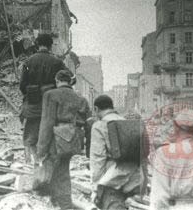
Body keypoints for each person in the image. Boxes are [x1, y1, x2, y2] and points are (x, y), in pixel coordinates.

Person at [36, 70, 85, 209]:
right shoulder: (79, 97)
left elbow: (47, 122)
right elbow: (82, 121)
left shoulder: (50, 95)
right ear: (70, 81)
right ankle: (59, 202)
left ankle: (63, 205)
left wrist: (41, 148)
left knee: (52, 174)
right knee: (63, 170)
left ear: (57, 81)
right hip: (71, 140)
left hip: (55, 140)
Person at [19, 33, 68, 165]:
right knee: (50, 133)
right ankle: (47, 162)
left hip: (33, 104)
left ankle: (31, 162)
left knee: (31, 134)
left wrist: (30, 95)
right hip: (51, 106)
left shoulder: (28, 62)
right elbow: (68, 80)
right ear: (50, 45)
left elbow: (22, 85)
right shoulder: (57, 62)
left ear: (37, 44)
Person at [90, 95, 145, 210]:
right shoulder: (126, 122)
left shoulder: (99, 125)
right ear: (112, 107)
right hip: (134, 176)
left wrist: (96, 188)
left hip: (112, 178)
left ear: (96, 109)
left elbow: (97, 159)